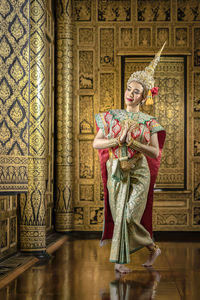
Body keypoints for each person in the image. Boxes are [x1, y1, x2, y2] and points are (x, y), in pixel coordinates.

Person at [93, 43, 166, 274]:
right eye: (129, 89)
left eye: (136, 91)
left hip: (139, 170)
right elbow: (97, 143)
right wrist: (117, 141)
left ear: (144, 97)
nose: (130, 93)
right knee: (119, 215)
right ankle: (123, 261)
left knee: (130, 215)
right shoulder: (110, 116)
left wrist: (132, 143)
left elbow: (155, 152)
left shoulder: (149, 122)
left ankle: (152, 248)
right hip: (115, 168)